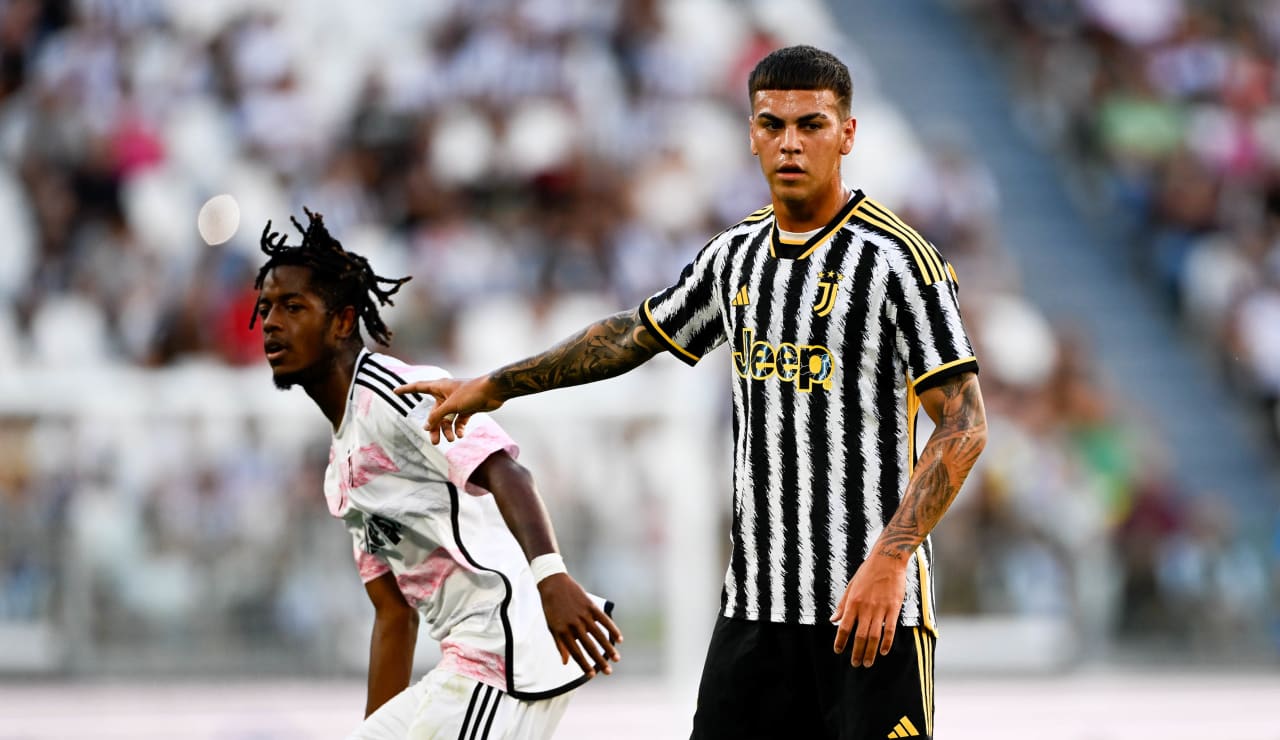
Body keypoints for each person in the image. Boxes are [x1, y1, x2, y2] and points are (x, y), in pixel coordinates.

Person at [398, 45, 987, 740]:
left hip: (870, 612)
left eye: (812, 124)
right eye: (772, 124)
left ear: (848, 134)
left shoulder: (895, 261)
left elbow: (964, 424)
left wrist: (889, 563)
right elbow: (631, 335)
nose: (790, 142)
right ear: (751, 134)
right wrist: (495, 385)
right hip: (755, 616)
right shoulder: (734, 255)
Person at [251, 208, 621, 739]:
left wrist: (552, 579)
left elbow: (508, 473)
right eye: (264, 308)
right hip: (466, 658)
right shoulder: (341, 469)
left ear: (341, 321)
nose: (271, 322)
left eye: (292, 306)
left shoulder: (395, 392)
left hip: (503, 645)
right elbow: (392, 615)